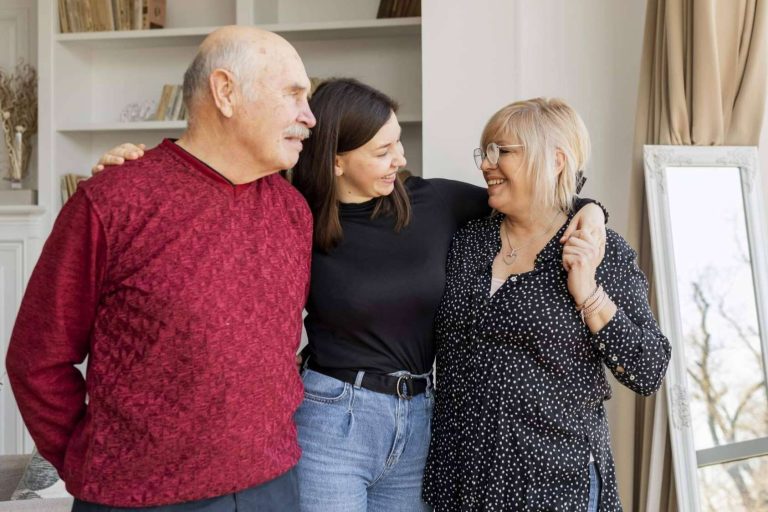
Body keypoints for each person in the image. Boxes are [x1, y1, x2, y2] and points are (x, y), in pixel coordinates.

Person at [91, 80, 607, 512]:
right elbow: (203, 195)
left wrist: (593, 210)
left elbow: (537, 199)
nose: (400, 159)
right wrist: (131, 171)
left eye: (398, 143)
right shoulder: (290, 215)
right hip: (331, 420)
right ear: (336, 161)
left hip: (420, 419)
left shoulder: (437, 203)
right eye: (383, 151)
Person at [6, 26, 316, 511]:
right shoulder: (111, 201)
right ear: (226, 92)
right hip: (138, 497)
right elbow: (37, 359)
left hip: (273, 487)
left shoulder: (293, 211)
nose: (309, 116)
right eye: (294, 94)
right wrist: (88, 461)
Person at [422, 98, 671, 511]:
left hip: (553, 483)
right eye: (484, 151)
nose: (486, 164)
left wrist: (588, 292)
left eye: (501, 151)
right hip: (461, 482)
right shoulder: (467, 241)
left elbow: (649, 370)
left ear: (556, 160)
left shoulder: (599, 252)